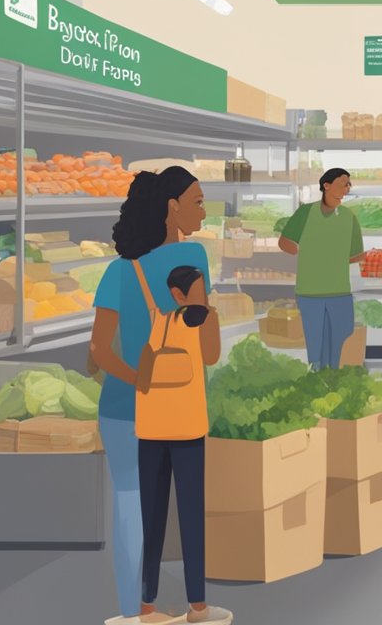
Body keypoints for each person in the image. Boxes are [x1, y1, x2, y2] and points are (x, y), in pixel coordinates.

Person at [90, 167, 231, 625]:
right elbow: (208, 351)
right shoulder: (192, 256)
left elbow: (97, 352)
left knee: (131, 504)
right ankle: (195, 607)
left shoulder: (116, 271)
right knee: (185, 505)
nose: (203, 211)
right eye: (197, 201)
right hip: (179, 406)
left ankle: (135, 612)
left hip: (120, 407)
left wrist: (136, 379)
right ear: (171, 207)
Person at [135, 265, 227, 625]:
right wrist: (211, 316)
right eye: (199, 290)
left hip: (151, 433)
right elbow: (213, 356)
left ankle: (146, 606)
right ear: (179, 294)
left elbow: (143, 375)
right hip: (186, 433)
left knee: (153, 520)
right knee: (191, 520)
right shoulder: (202, 320)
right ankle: (198, 608)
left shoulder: (160, 321)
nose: (204, 297)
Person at [279, 168, 366, 370]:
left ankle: (333, 383)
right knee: (314, 346)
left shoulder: (349, 217)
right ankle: (316, 384)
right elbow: (285, 242)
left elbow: (355, 255)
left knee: (341, 342)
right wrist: (308, 251)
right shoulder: (305, 213)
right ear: (326, 185)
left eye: (349, 184)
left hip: (340, 292)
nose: (348, 187)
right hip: (310, 292)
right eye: (344, 183)